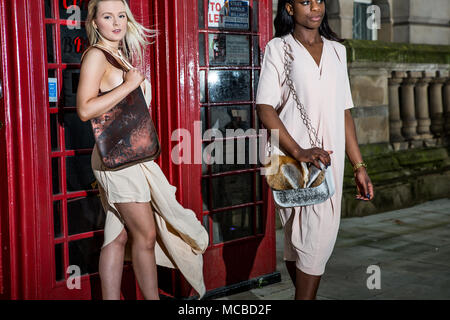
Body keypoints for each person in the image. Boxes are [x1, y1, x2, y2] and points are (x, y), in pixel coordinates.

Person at [76, 0, 208, 300]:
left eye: (121, 15)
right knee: (146, 235)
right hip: (117, 161)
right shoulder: (97, 55)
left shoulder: (119, 53)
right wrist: (128, 85)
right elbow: (84, 110)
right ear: (95, 23)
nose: (117, 22)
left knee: (117, 236)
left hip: (131, 157)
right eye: (108, 17)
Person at [256, 0, 374, 300]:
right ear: (290, 9)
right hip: (287, 159)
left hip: (328, 162)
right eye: (305, 2)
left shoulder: (337, 51)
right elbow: (265, 107)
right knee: (297, 240)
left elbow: (344, 111)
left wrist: (359, 167)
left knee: (317, 240)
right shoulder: (278, 48)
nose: (315, 7)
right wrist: (299, 151)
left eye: (319, 0)